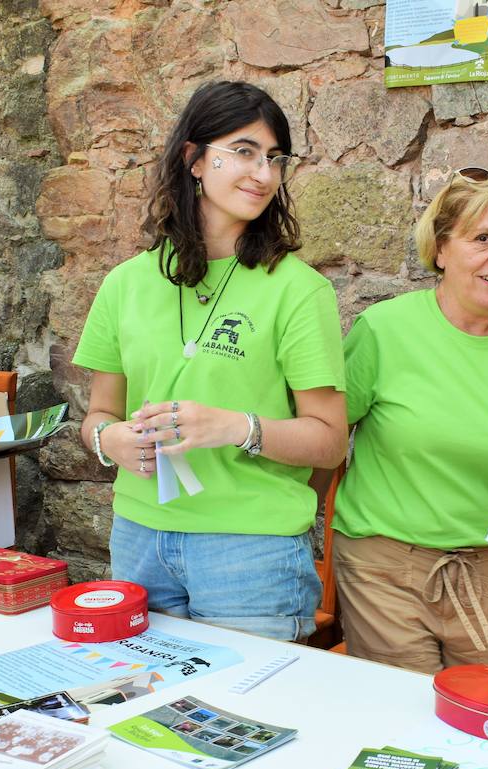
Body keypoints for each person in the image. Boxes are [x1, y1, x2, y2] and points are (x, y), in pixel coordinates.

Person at [73, 81, 347, 641]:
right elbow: (99, 413)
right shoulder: (125, 284)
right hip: (139, 538)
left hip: (251, 552)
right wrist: (110, 441)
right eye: (243, 151)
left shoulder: (299, 291)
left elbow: (329, 440)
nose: (263, 174)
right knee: (144, 715)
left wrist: (233, 427)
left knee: (242, 725)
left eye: (274, 158)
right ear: (193, 160)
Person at [330, 170, 488, 675]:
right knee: (406, 721)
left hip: (485, 570)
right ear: (442, 248)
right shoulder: (384, 331)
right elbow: (323, 439)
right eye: (482, 239)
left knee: (484, 715)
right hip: (383, 569)